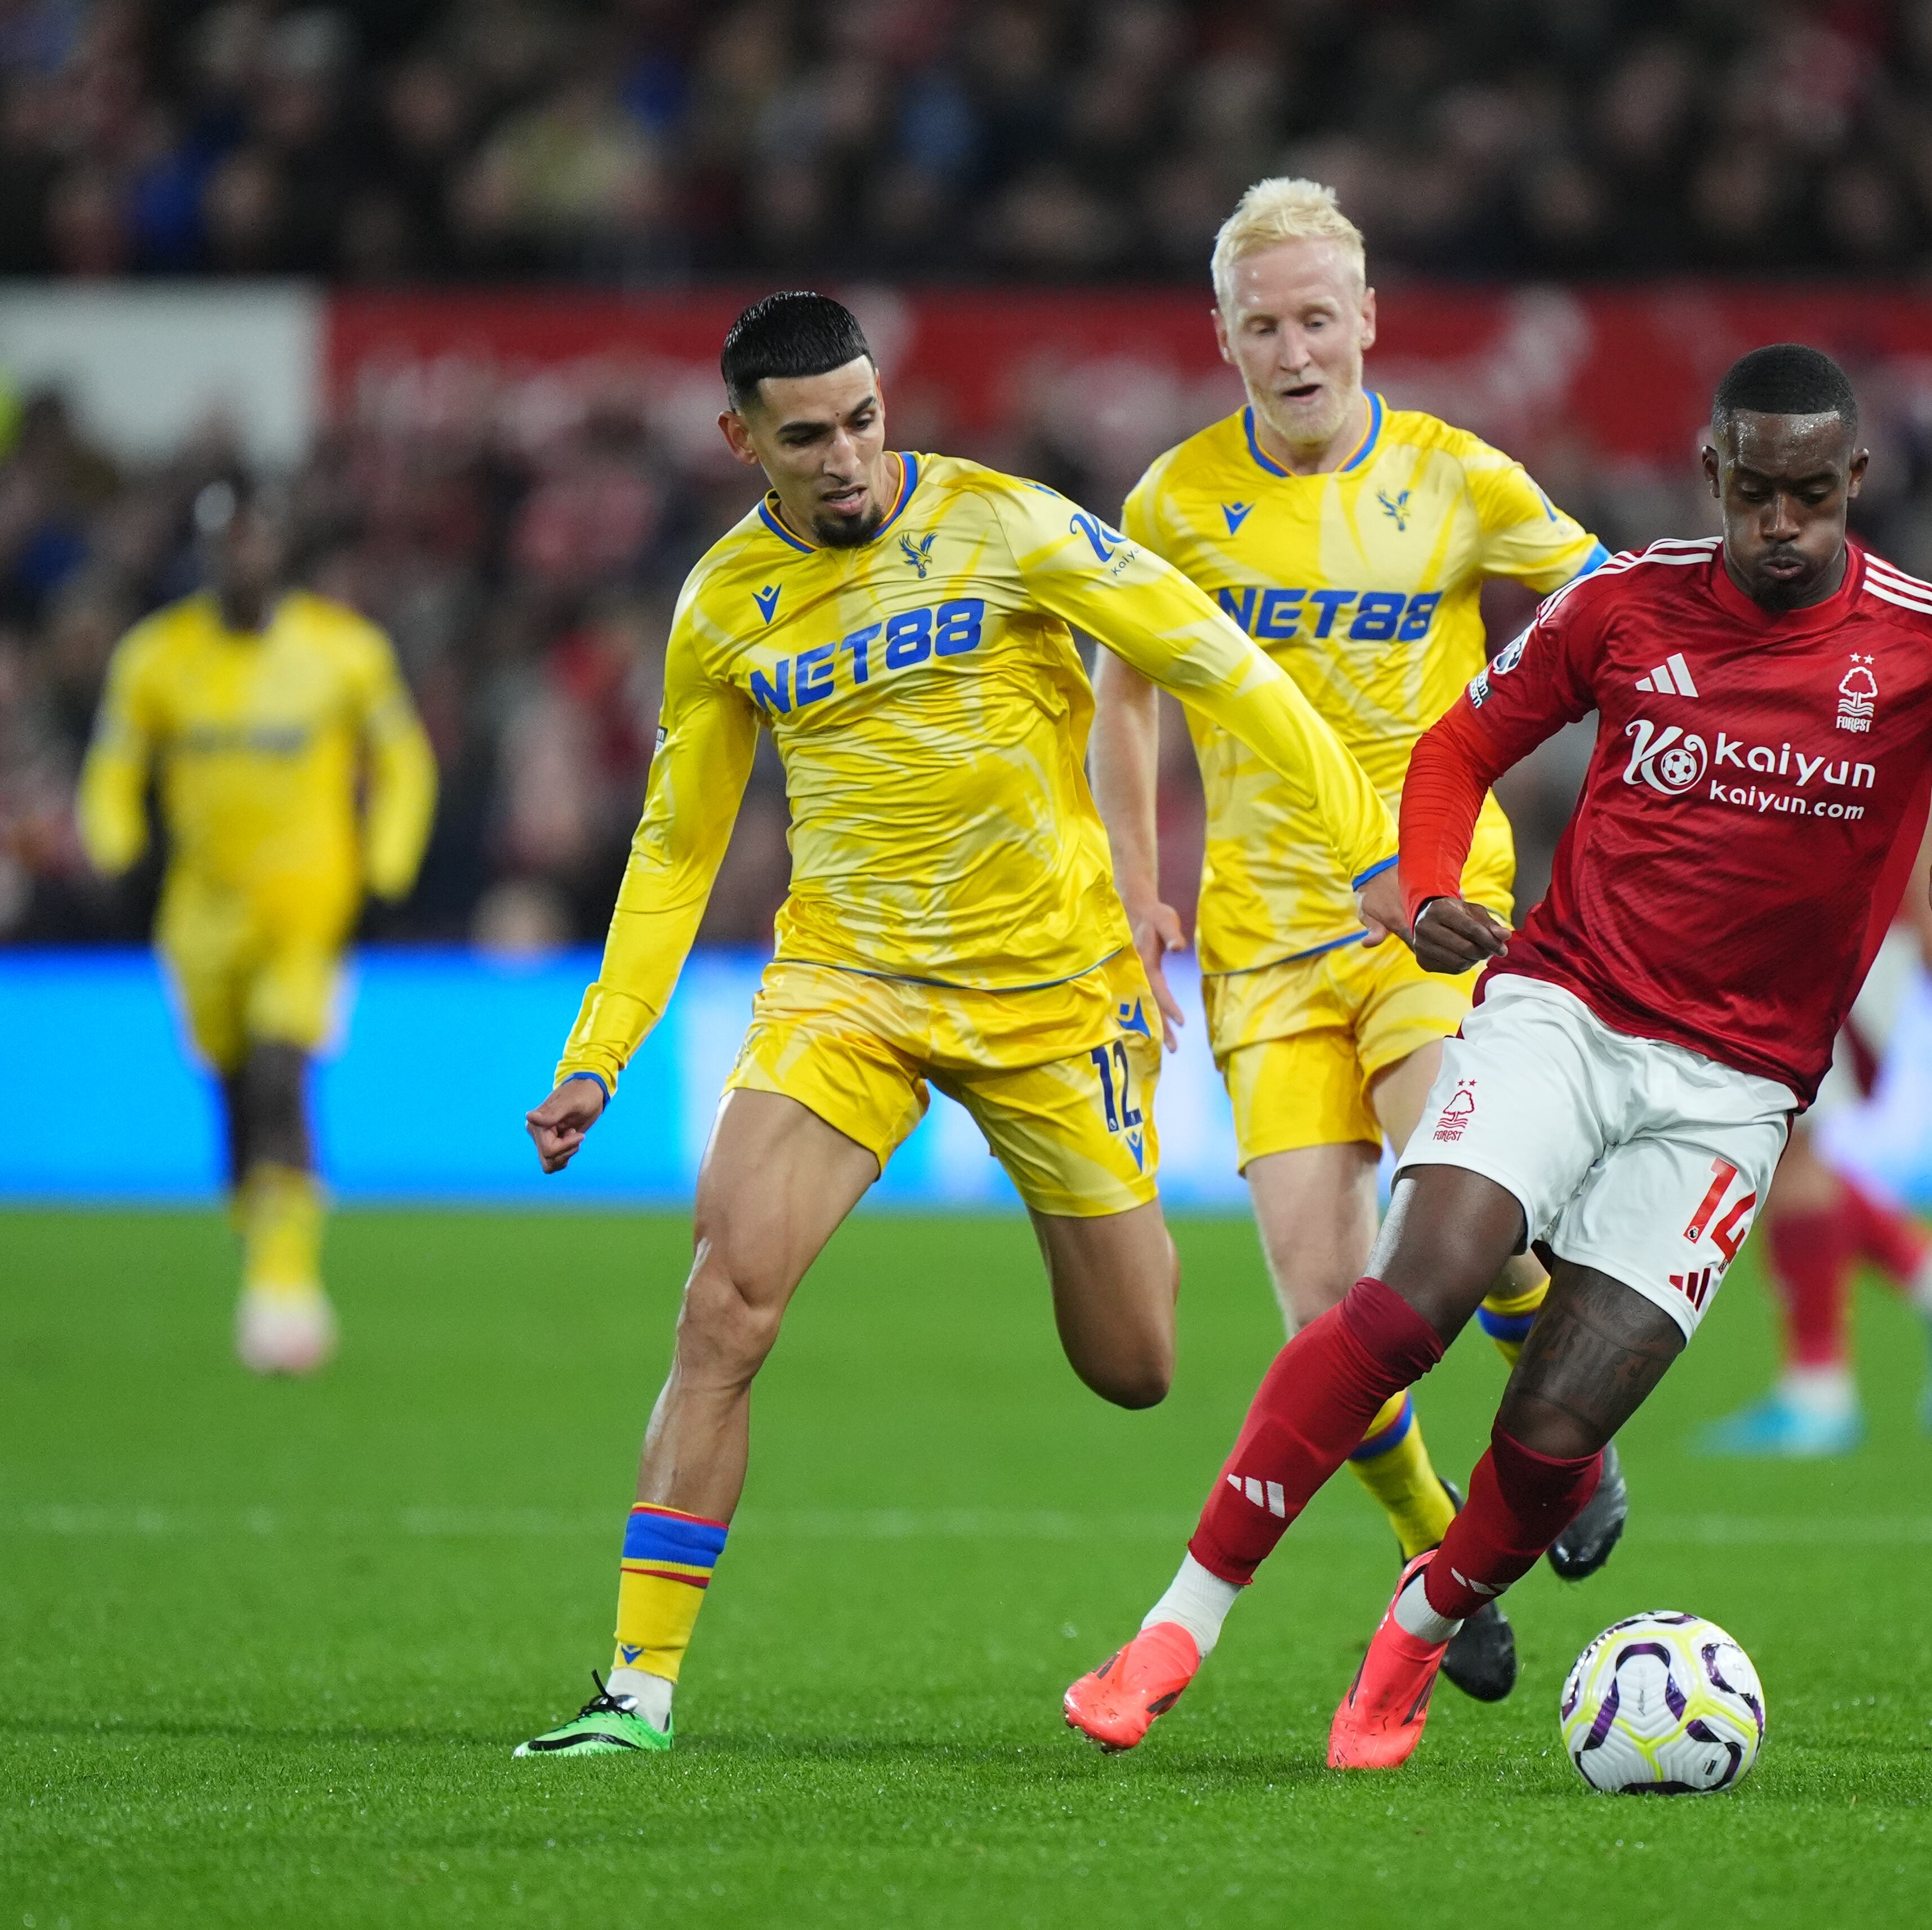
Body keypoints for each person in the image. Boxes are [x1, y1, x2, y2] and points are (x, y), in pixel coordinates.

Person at [1063, 344, 1932, 1769]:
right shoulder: (1621, 606)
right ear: (1711, 474)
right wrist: (1428, 884)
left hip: (1735, 1092)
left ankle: (1413, 1635)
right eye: (1756, 492)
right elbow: (1455, 750)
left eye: (1810, 494)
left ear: (1854, 482)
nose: (1781, 524)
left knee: (1554, 1428)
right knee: (1409, 1291)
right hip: (1565, 1007)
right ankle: (1177, 1621)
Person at [510, 292, 1408, 1760]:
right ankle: (635, 1692)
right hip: (843, 993)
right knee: (722, 1305)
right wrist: (599, 1048)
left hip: (1052, 997)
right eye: (808, 436)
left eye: (864, 419)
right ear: (743, 440)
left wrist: (1367, 847)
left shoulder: (1011, 528)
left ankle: (1393, 1497)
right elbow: (677, 844)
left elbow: (1217, 665)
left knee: (1134, 1364)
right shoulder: (723, 606)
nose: (850, 459)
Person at [1091, 179, 1618, 1704]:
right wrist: (1138, 887)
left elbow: (1603, 611)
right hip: (1260, 948)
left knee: (1471, 1215)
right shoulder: (1174, 504)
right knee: (1327, 1316)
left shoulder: (1458, 480)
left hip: (1432, 914)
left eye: (1319, 316)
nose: (1294, 347)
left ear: (1369, 319)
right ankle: (1438, 1545)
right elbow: (1125, 697)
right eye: (1263, 324)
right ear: (1224, 336)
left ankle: (1554, 1418)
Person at [77, 478, 436, 1375]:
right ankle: (262, 1251)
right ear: (203, 555)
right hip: (200, 918)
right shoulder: (155, 657)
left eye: (255, 542)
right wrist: (117, 855)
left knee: (282, 1079)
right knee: (237, 1098)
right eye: (224, 544)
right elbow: (112, 772)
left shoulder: (343, 652)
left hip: (307, 909)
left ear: (282, 549)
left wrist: (385, 871)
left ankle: (287, 1285)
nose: (242, 558)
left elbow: (405, 763)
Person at [1702, 778, 1932, 1457]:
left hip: (1857, 926)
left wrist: (1927, 908)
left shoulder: (1880, 671)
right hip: (1815, 918)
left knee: (1785, 1144)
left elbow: (1927, 766)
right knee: (1785, 1143)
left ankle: (1819, 1390)